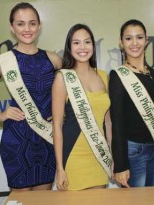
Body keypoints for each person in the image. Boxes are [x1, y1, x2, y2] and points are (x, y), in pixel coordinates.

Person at [0, 2, 62, 190]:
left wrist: (63, 113)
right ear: (12, 27)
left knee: (43, 200)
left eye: (32, 23)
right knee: (21, 199)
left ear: (39, 26)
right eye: (20, 23)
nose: (27, 29)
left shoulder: (53, 59)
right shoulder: (3, 61)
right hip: (17, 141)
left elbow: (70, 90)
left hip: (47, 138)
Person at [52, 24, 113, 191]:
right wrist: (60, 169)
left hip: (98, 157)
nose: (82, 47)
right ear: (69, 47)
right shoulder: (63, 77)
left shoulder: (103, 76)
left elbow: (108, 122)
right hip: (73, 156)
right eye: (76, 43)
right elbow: (57, 126)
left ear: (93, 45)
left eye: (87, 42)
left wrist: (112, 155)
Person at [109, 19, 154, 188]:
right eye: (128, 38)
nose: (134, 43)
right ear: (121, 43)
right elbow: (116, 122)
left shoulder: (153, 76)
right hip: (134, 152)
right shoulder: (118, 76)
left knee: (153, 200)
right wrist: (120, 164)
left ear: (146, 40)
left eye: (139, 37)